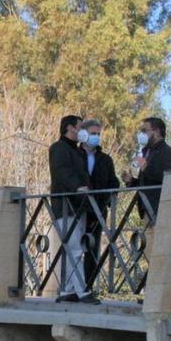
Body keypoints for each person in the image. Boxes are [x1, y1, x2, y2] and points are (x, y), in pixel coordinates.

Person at [48, 115, 96, 303]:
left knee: (73, 247)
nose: (83, 131)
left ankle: (67, 290)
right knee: (74, 248)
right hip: (65, 205)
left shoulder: (77, 151)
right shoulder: (58, 148)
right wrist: (77, 187)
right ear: (70, 128)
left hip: (78, 206)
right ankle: (83, 291)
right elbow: (61, 172)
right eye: (80, 127)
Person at [78, 119, 119, 292]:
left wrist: (106, 202)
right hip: (77, 209)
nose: (96, 137)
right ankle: (72, 287)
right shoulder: (74, 155)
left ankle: (87, 286)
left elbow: (113, 183)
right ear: (84, 134)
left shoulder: (105, 159)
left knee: (92, 250)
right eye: (93, 133)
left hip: (97, 211)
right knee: (72, 247)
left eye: (98, 134)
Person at [124, 117, 171, 220]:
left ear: (157, 131)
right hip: (146, 208)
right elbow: (146, 181)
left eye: (144, 131)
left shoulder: (168, 153)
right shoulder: (147, 152)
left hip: (159, 209)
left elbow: (168, 179)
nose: (141, 135)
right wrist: (131, 181)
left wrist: (145, 167)